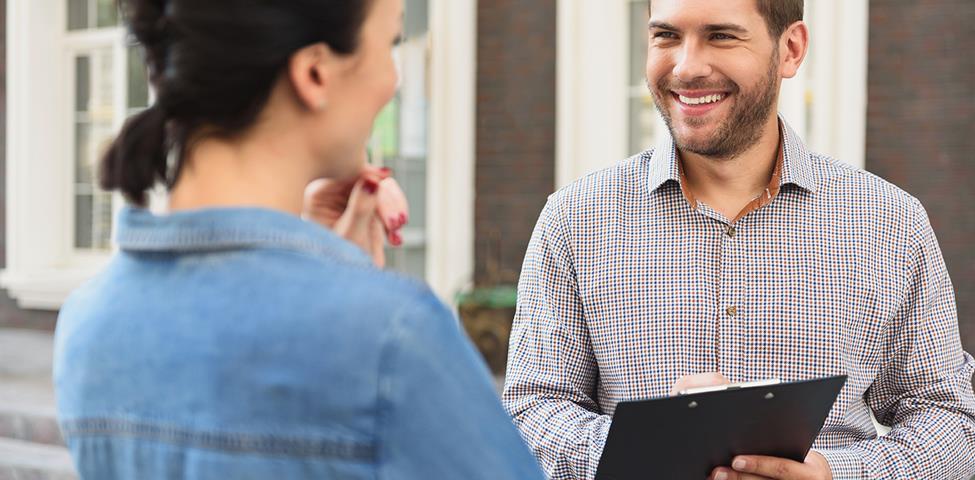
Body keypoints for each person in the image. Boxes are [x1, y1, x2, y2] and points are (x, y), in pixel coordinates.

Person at [53, 0, 545, 478]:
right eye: (390, 43)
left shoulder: (88, 322)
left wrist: (321, 264)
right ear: (314, 73)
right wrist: (344, 290)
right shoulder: (392, 336)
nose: (394, 79)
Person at [502, 0, 975, 479]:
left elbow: (951, 423)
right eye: (666, 36)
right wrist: (654, 450)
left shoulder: (889, 222)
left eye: (721, 36)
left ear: (791, 49)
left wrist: (835, 474)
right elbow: (531, 414)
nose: (686, 67)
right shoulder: (576, 219)